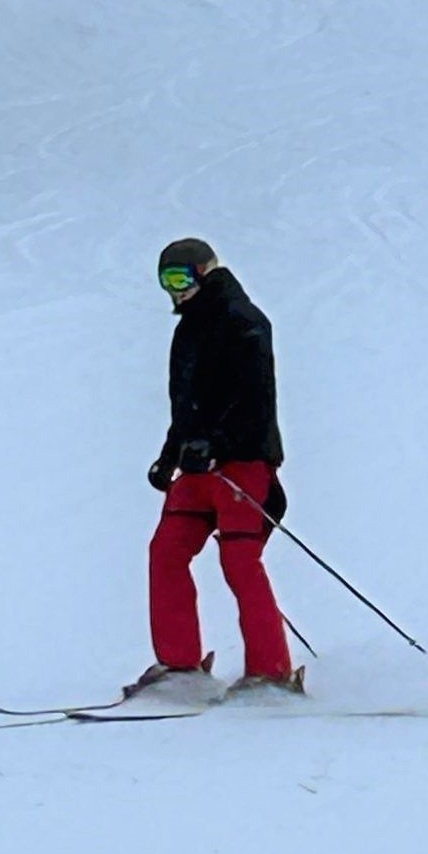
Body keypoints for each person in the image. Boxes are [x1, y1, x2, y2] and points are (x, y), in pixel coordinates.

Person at [136, 238, 293, 700]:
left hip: (243, 464)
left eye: (182, 279)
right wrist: (170, 456)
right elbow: (187, 407)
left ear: (206, 272)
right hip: (199, 467)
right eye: (166, 281)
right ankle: (180, 664)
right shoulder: (188, 329)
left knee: (239, 560)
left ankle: (271, 673)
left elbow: (255, 400)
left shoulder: (245, 323)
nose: (174, 290)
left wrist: (216, 444)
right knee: (165, 551)